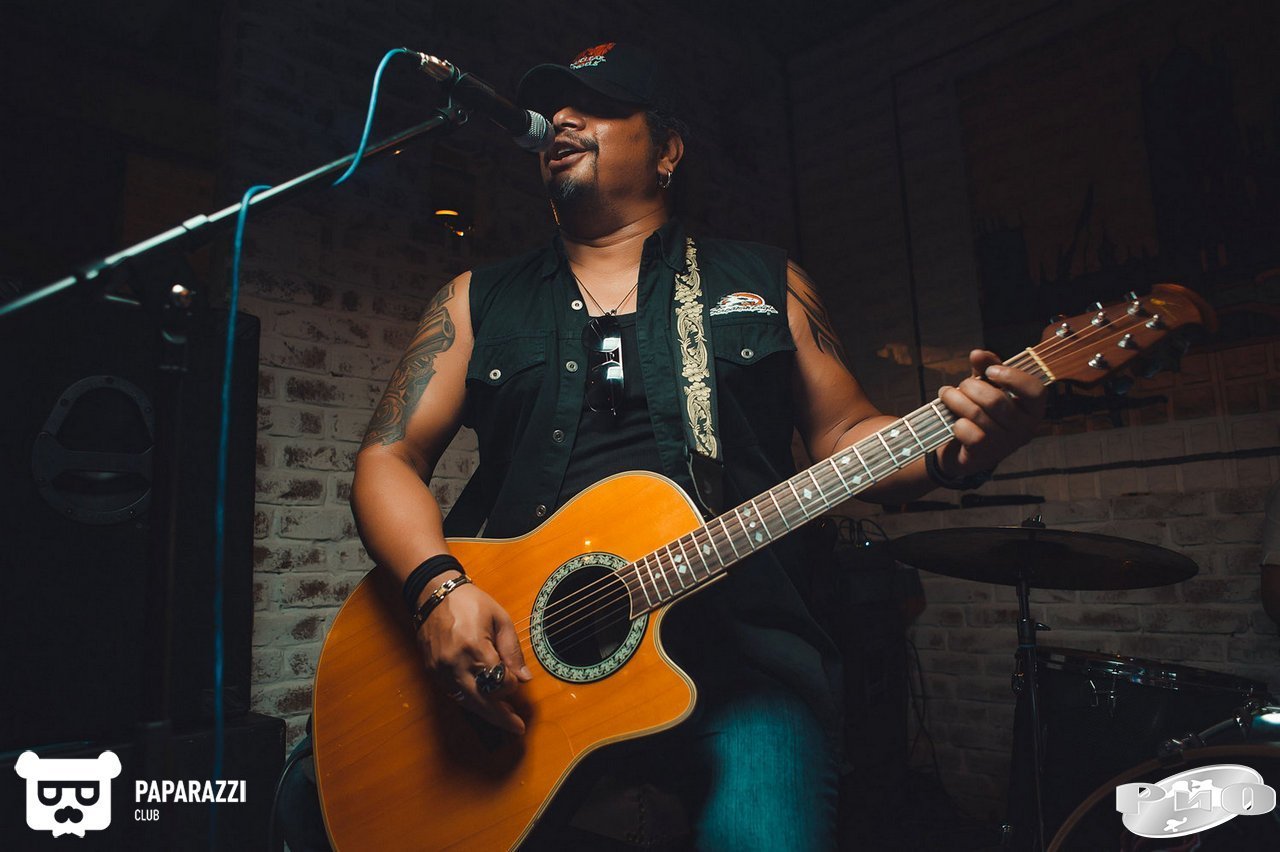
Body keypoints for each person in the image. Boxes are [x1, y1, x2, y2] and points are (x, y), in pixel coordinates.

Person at [283, 42, 1046, 850]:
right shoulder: (475, 300)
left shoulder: (767, 282)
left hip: (746, 666)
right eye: (556, 105)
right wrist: (438, 591)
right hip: (520, 665)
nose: (564, 118)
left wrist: (957, 448)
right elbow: (387, 459)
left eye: (599, 105)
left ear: (668, 150)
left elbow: (845, 434)